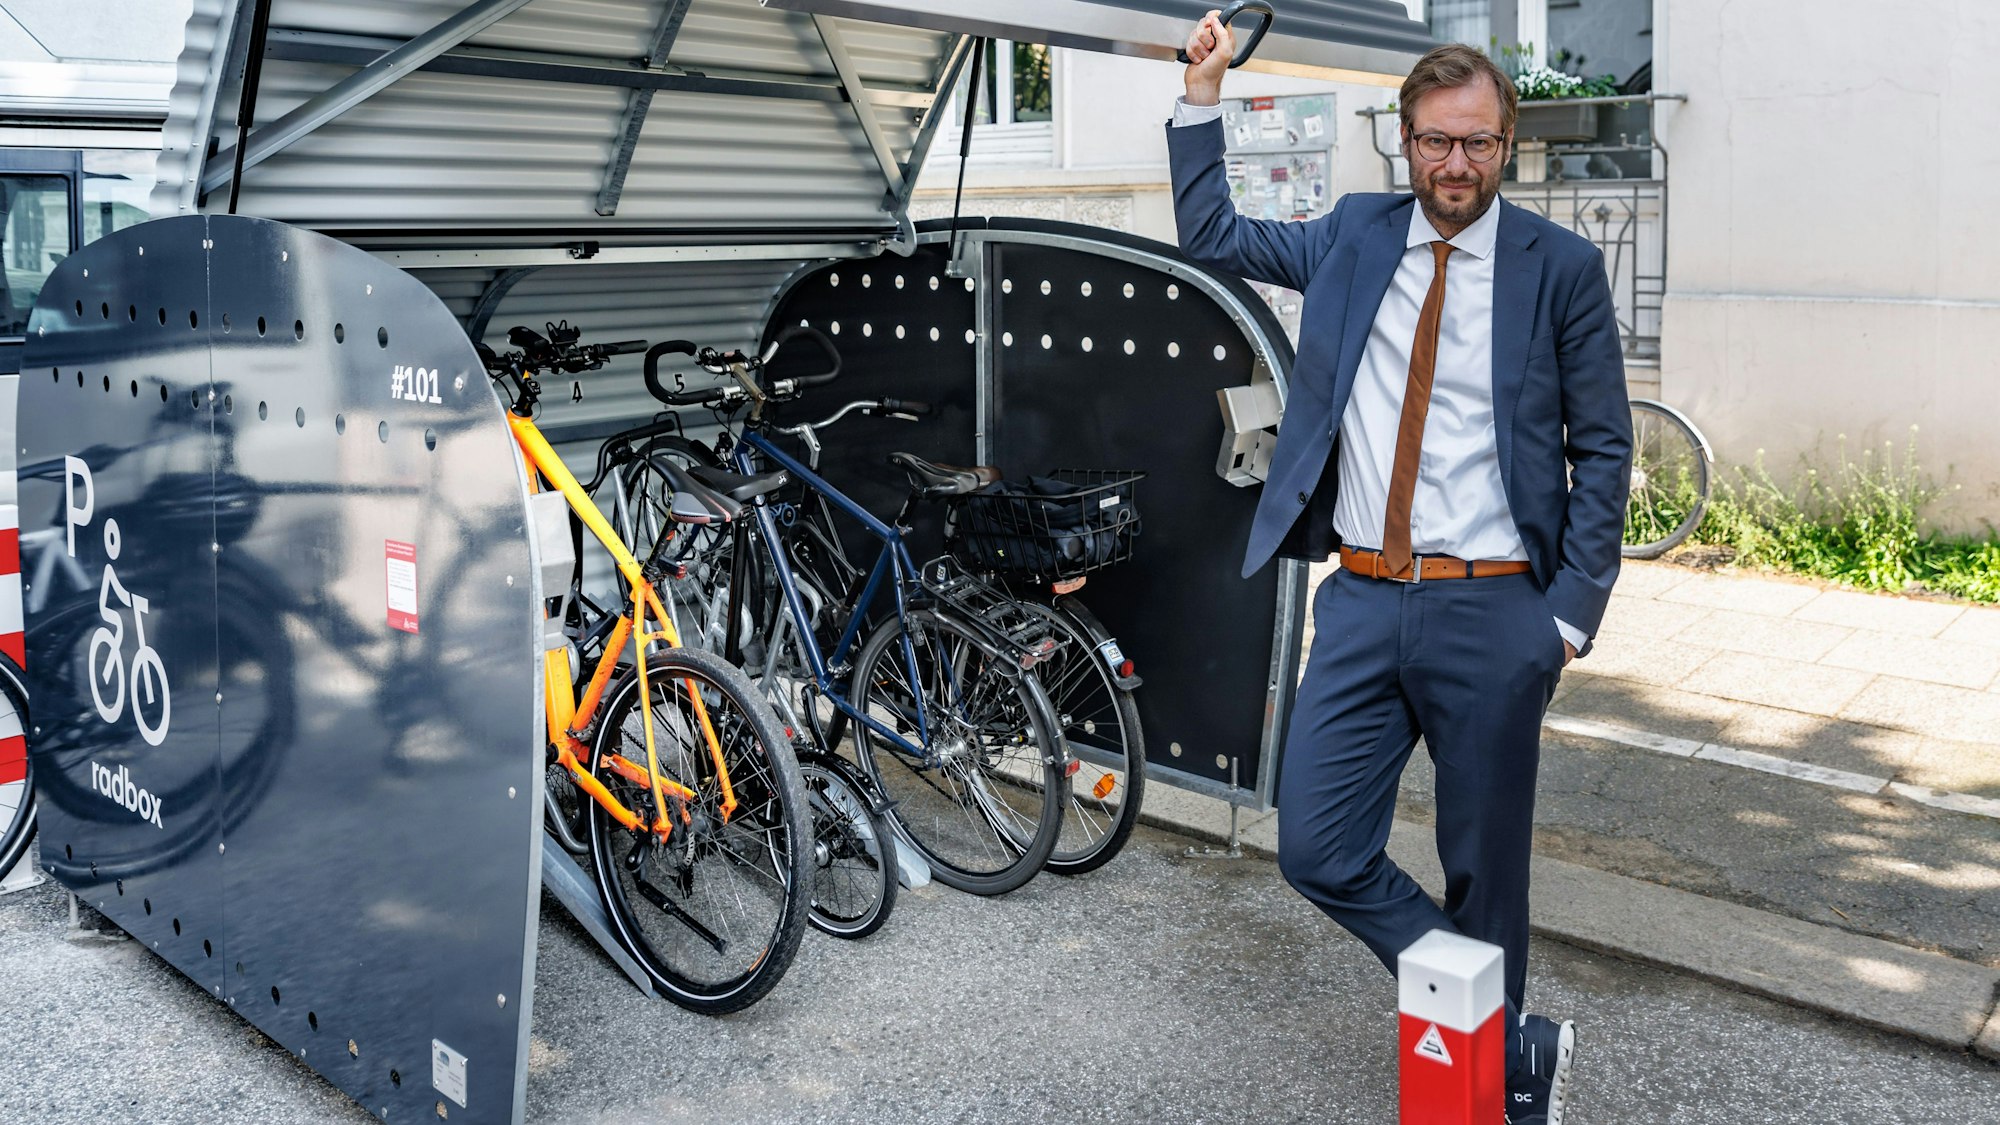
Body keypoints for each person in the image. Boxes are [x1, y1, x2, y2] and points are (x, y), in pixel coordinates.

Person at [1171, 14, 1632, 1125]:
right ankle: (1497, 1021)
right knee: (1315, 847)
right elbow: (1211, 236)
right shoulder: (1352, 236)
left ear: (1505, 144)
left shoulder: (1558, 268)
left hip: (1494, 611)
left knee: (1485, 874)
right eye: (1434, 141)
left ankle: (1492, 1091)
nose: (1454, 163)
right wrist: (1202, 95)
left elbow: (1602, 447)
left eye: (1475, 143)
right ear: (1405, 141)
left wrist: (1565, 617)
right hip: (1367, 600)